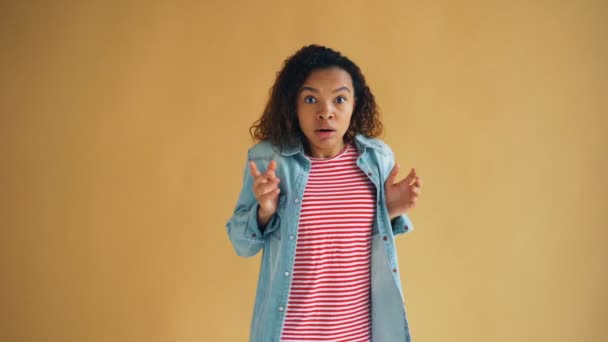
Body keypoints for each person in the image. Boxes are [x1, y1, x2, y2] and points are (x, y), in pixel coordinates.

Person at [226, 44, 422, 342]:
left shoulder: (377, 159)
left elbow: (367, 242)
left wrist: (389, 211)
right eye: (310, 99)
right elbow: (242, 245)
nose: (325, 112)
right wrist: (264, 211)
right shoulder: (269, 162)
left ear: (355, 104)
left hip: (359, 334)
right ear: (293, 105)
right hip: (290, 334)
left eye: (339, 99)